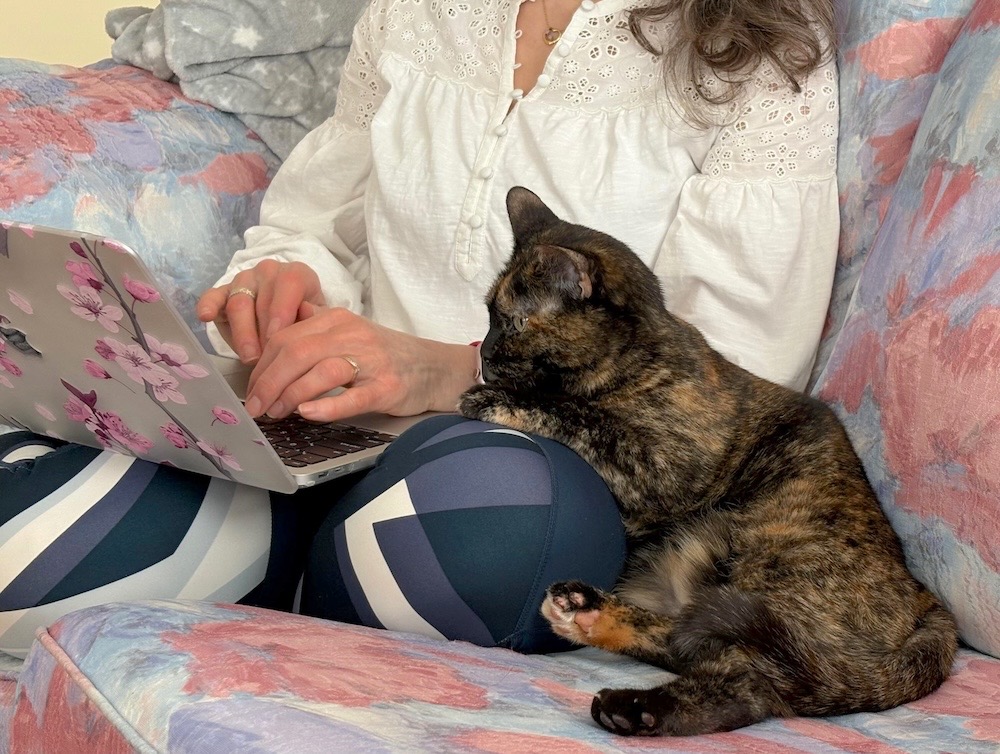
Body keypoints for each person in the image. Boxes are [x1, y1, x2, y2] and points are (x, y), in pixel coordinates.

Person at [1, 0, 839, 657]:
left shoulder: (762, 50)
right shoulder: (413, 9)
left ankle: (258, 577)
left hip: (521, 471)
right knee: (15, 536)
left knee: (493, 521)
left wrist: (450, 372)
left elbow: (733, 383)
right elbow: (318, 224)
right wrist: (286, 285)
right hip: (329, 431)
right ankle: (292, 570)